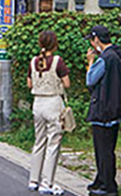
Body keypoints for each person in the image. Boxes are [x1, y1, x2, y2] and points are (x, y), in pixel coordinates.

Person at [85, 25, 121, 196]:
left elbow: (90, 80)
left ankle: (108, 186)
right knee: (108, 149)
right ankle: (102, 180)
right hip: (116, 109)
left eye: (91, 39)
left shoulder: (105, 59)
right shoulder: (119, 55)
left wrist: (90, 61)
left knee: (102, 151)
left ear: (96, 40)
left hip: (103, 110)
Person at [27, 31, 71, 196]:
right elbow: (66, 83)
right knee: (53, 143)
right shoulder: (58, 61)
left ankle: (34, 180)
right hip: (53, 103)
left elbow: (29, 84)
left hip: (37, 103)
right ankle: (47, 183)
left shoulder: (33, 61)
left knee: (39, 141)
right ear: (55, 44)